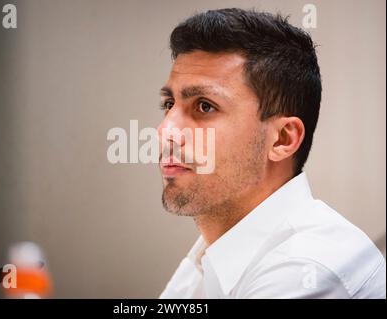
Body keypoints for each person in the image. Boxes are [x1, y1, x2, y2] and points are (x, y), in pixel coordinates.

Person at [157, 8, 386, 299]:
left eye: (204, 106)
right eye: (168, 104)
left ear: (282, 139)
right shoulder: (211, 253)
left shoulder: (308, 267)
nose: (165, 130)